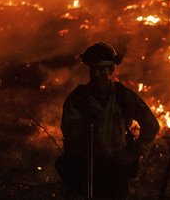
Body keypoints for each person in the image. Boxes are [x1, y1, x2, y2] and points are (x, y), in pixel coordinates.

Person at [56, 42, 160, 199]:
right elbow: (69, 132)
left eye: (101, 69)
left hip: (115, 170)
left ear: (111, 70)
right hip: (84, 171)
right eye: (93, 69)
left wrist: (133, 152)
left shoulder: (123, 96)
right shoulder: (77, 99)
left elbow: (151, 125)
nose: (96, 74)